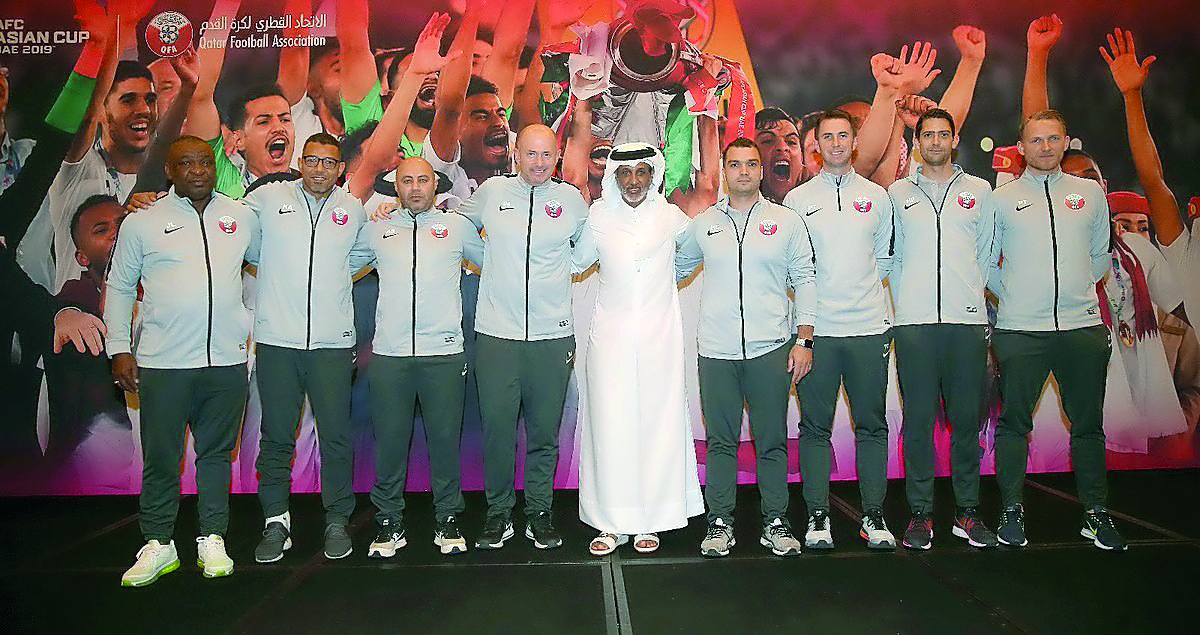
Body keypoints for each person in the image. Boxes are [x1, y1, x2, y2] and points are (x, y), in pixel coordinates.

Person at [106, 137, 259, 586]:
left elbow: (282, 252)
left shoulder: (240, 216)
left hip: (226, 363)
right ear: (169, 171)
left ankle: (212, 536)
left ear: (215, 166)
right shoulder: (143, 223)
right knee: (161, 457)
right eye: (185, 164)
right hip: (163, 362)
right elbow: (118, 286)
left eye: (204, 162)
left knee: (215, 456)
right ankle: (158, 542)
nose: (197, 170)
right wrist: (119, 348)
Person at [986, 109, 1125, 551]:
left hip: (1081, 329)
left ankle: (1096, 515)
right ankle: (1011, 511)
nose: (1045, 147)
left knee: (1088, 426)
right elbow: (987, 263)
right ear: (1021, 146)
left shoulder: (1090, 194)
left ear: (1067, 143)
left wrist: (1079, 290)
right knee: (1013, 424)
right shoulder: (1001, 198)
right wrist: (1014, 298)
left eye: (1053, 139)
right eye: (1036, 140)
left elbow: (1100, 256)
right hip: (1020, 330)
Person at [676, 137, 815, 557]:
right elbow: (672, 269)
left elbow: (806, 279)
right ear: (725, 169)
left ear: (759, 170)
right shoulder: (704, 224)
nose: (742, 171)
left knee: (771, 440)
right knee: (721, 440)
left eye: (750, 164)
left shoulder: (787, 222)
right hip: (716, 352)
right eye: (734, 164)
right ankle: (720, 522)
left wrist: (804, 339)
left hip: (771, 348)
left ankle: (776, 520)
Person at [457, 124, 588, 550]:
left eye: (546, 155)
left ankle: (539, 512)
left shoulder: (570, 200)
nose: (538, 163)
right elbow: (457, 228)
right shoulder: (493, 194)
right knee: (498, 430)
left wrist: (563, 268)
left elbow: (587, 250)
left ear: (557, 155)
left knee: (543, 432)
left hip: (552, 338)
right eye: (530, 154)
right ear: (516, 154)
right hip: (497, 335)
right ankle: (498, 513)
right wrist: (487, 260)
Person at [242, 133, 371, 563]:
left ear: (340, 169)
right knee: (276, 438)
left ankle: (337, 520)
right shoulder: (267, 200)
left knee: (336, 437)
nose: (320, 169)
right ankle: (276, 522)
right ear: (301, 162)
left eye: (329, 163)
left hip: (333, 346)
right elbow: (240, 240)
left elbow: (358, 258)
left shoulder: (351, 210)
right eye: (312, 161)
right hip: (278, 342)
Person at [574, 142, 703, 555]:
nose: (633, 182)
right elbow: (574, 262)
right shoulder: (597, 218)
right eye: (625, 174)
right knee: (610, 425)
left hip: (659, 338)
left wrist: (674, 276)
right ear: (614, 177)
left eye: (642, 173)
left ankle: (652, 519)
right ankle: (610, 523)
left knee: (657, 425)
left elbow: (697, 249)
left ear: (654, 176)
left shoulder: (670, 217)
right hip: (608, 339)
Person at [782, 109, 896, 551]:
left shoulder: (877, 197)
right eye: (826, 137)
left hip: (869, 330)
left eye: (842, 136)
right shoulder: (797, 202)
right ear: (816, 144)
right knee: (814, 428)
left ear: (853, 142)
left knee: (872, 427)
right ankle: (817, 516)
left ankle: (873, 516)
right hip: (819, 336)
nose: (834, 144)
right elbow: (796, 270)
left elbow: (883, 261)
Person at [886, 108, 997, 550]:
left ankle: (967, 513)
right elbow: (889, 255)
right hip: (913, 324)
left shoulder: (980, 191)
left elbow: (985, 254)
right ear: (917, 141)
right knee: (918, 423)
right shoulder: (896, 193)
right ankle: (919, 514)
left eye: (942, 134)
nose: (934, 141)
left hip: (966, 323)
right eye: (926, 134)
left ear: (954, 139)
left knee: (966, 423)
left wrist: (968, 294)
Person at [363, 156, 484, 558]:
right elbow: (336, 267)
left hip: (444, 356)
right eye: (407, 181)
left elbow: (496, 263)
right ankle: (388, 522)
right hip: (391, 356)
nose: (415, 187)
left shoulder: (456, 228)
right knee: (391, 443)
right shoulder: (376, 231)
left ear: (437, 185)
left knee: (445, 442)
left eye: (423, 180)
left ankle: (448, 518)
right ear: (396, 187)